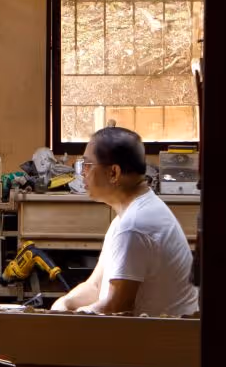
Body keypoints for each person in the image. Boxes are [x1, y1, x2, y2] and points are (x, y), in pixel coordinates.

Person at [49, 125, 198, 316]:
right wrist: (64, 303)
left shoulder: (135, 226)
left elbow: (115, 308)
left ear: (114, 173)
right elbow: (95, 286)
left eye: (87, 164)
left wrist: (67, 320)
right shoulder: (127, 217)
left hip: (160, 335)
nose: (82, 172)